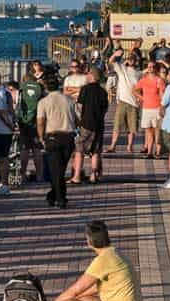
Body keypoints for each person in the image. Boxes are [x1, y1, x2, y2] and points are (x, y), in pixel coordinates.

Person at [44, 221, 143, 301]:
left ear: (89, 241)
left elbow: (76, 289)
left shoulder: (103, 260)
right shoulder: (115, 253)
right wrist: (75, 299)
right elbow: (95, 288)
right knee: (81, 299)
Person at [38, 76, 76, 206]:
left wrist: (41, 137)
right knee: (60, 170)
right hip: (68, 137)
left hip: (53, 137)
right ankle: (53, 195)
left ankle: (60, 198)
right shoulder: (69, 100)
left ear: (46, 87)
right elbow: (77, 119)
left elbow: (40, 121)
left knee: (56, 170)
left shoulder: (43, 102)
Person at [75, 67, 110, 183]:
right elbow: (105, 108)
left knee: (80, 150)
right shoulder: (103, 91)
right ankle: (93, 175)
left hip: (86, 123)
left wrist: (79, 119)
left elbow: (79, 107)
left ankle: (76, 176)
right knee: (95, 151)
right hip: (99, 124)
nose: (87, 75)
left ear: (93, 76)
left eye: (88, 73)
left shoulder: (85, 89)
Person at [107, 49, 141, 154]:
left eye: (133, 59)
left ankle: (129, 147)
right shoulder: (122, 68)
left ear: (136, 61)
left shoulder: (139, 74)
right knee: (117, 125)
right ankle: (113, 146)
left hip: (134, 103)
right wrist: (115, 54)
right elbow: (111, 62)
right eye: (129, 58)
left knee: (132, 127)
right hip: (122, 101)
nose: (131, 60)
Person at [16, 71, 45, 184]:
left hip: (24, 122)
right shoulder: (39, 88)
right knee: (37, 149)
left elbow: (17, 104)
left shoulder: (22, 88)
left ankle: (22, 175)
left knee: (25, 149)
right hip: (36, 121)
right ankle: (39, 176)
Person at [134, 62, 166, 158]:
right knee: (148, 131)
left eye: (152, 67)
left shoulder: (159, 80)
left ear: (155, 69)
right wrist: (142, 98)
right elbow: (134, 90)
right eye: (149, 67)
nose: (150, 68)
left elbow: (162, 94)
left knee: (157, 131)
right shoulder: (143, 80)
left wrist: (161, 106)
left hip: (156, 107)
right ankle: (149, 152)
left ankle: (158, 151)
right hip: (146, 108)